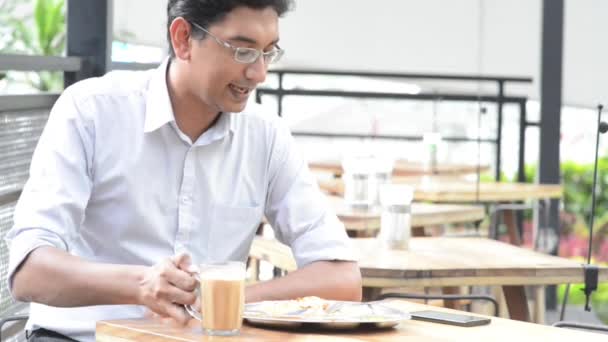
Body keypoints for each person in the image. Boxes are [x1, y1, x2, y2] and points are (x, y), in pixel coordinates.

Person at [5, 0, 362, 340]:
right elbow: (29, 272)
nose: (260, 73)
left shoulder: (266, 136)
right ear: (183, 39)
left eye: (269, 51)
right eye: (242, 50)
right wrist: (141, 285)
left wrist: (225, 301)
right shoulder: (90, 111)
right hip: (80, 337)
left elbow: (342, 278)